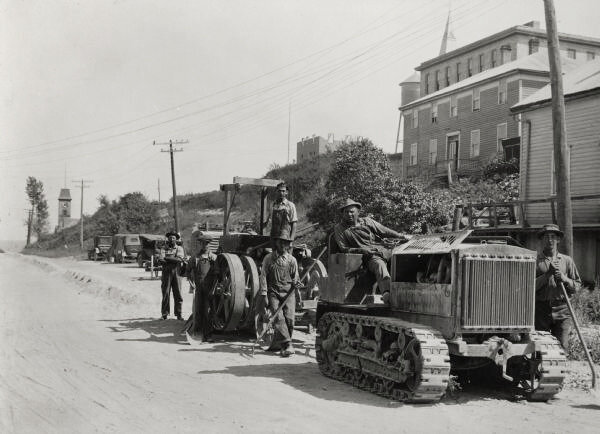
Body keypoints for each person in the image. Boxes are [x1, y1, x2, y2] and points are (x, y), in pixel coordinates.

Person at [333, 198, 410, 297]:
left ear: (358, 212)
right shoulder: (340, 228)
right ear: (342, 214)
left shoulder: (367, 221)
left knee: (401, 258)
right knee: (379, 264)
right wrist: (362, 250)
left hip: (382, 249)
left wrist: (401, 236)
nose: (349, 214)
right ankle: (387, 293)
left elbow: (384, 230)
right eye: (346, 212)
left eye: (352, 212)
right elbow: (344, 248)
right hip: (366, 257)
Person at [535, 223, 581, 348]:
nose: (550, 240)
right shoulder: (534, 260)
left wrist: (565, 279)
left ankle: (561, 368)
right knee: (540, 348)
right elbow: (529, 288)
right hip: (541, 310)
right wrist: (547, 275)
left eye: (553, 237)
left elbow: (577, 286)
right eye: (546, 237)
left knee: (562, 346)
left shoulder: (567, 260)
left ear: (558, 239)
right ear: (541, 240)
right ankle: (539, 368)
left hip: (562, 309)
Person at [258, 234, 300, 357]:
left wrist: (297, 283)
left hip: (289, 292)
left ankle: (285, 346)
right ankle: (288, 344)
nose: (283, 245)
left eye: (285, 243)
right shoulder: (268, 258)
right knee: (278, 317)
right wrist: (264, 294)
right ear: (276, 243)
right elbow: (263, 276)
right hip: (274, 292)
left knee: (290, 319)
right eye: (281, 242)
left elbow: (295, 277)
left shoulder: (292, 260)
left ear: (288, 245)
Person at [186, 232, 217, 342]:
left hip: (210, 290)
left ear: (209, 245)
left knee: (208, 312)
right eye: (202, 244)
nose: (204, 246)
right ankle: (197, 335)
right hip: (199, 289)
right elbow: (188, 271)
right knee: (198, 311)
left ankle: (208, 335)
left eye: (206, 244)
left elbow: (218, 275)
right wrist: (191, 283)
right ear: (200, 244)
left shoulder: (213, 258)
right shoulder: (195, 258)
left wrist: (214, 288)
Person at [158, 231, 186, 320]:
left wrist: (167, 258)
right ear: (168, 239)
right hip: (166, 273)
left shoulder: (179, 248)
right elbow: (160, 260)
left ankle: (179, 314)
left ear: (176, 239)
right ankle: (164, 314)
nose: (171, 239)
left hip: (177, 273)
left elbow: (179, 260)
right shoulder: (163, 248)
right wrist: (172, 259)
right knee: (165, 293)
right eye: (170, 237)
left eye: (173, 238)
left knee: (178, 294)